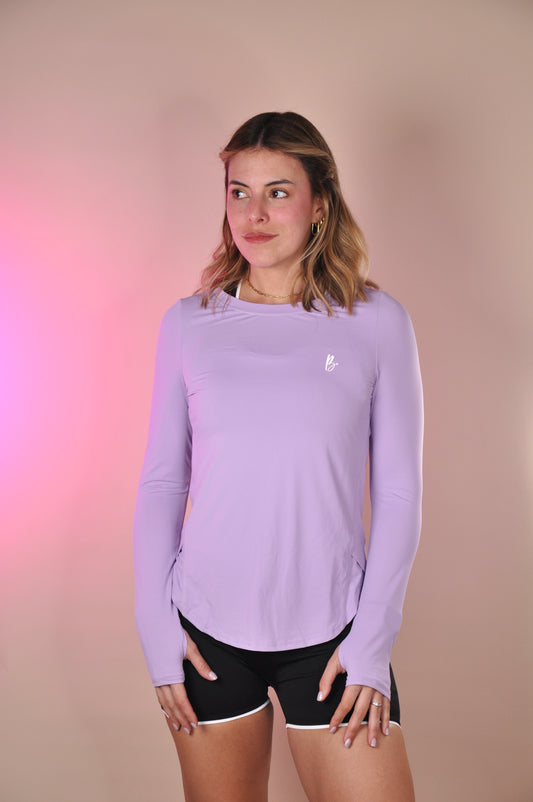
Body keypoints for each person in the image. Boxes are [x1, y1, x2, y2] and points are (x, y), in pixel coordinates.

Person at [132, 111, 424, 802]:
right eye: (239, 192)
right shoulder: (189, 324)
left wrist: (371, 642)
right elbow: (163, 481)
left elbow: (399, 492)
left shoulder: (375, 321)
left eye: (278, 192)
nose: (254, 214)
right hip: (205, 633)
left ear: (319, 203)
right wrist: (155, 627)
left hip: (333, 635)